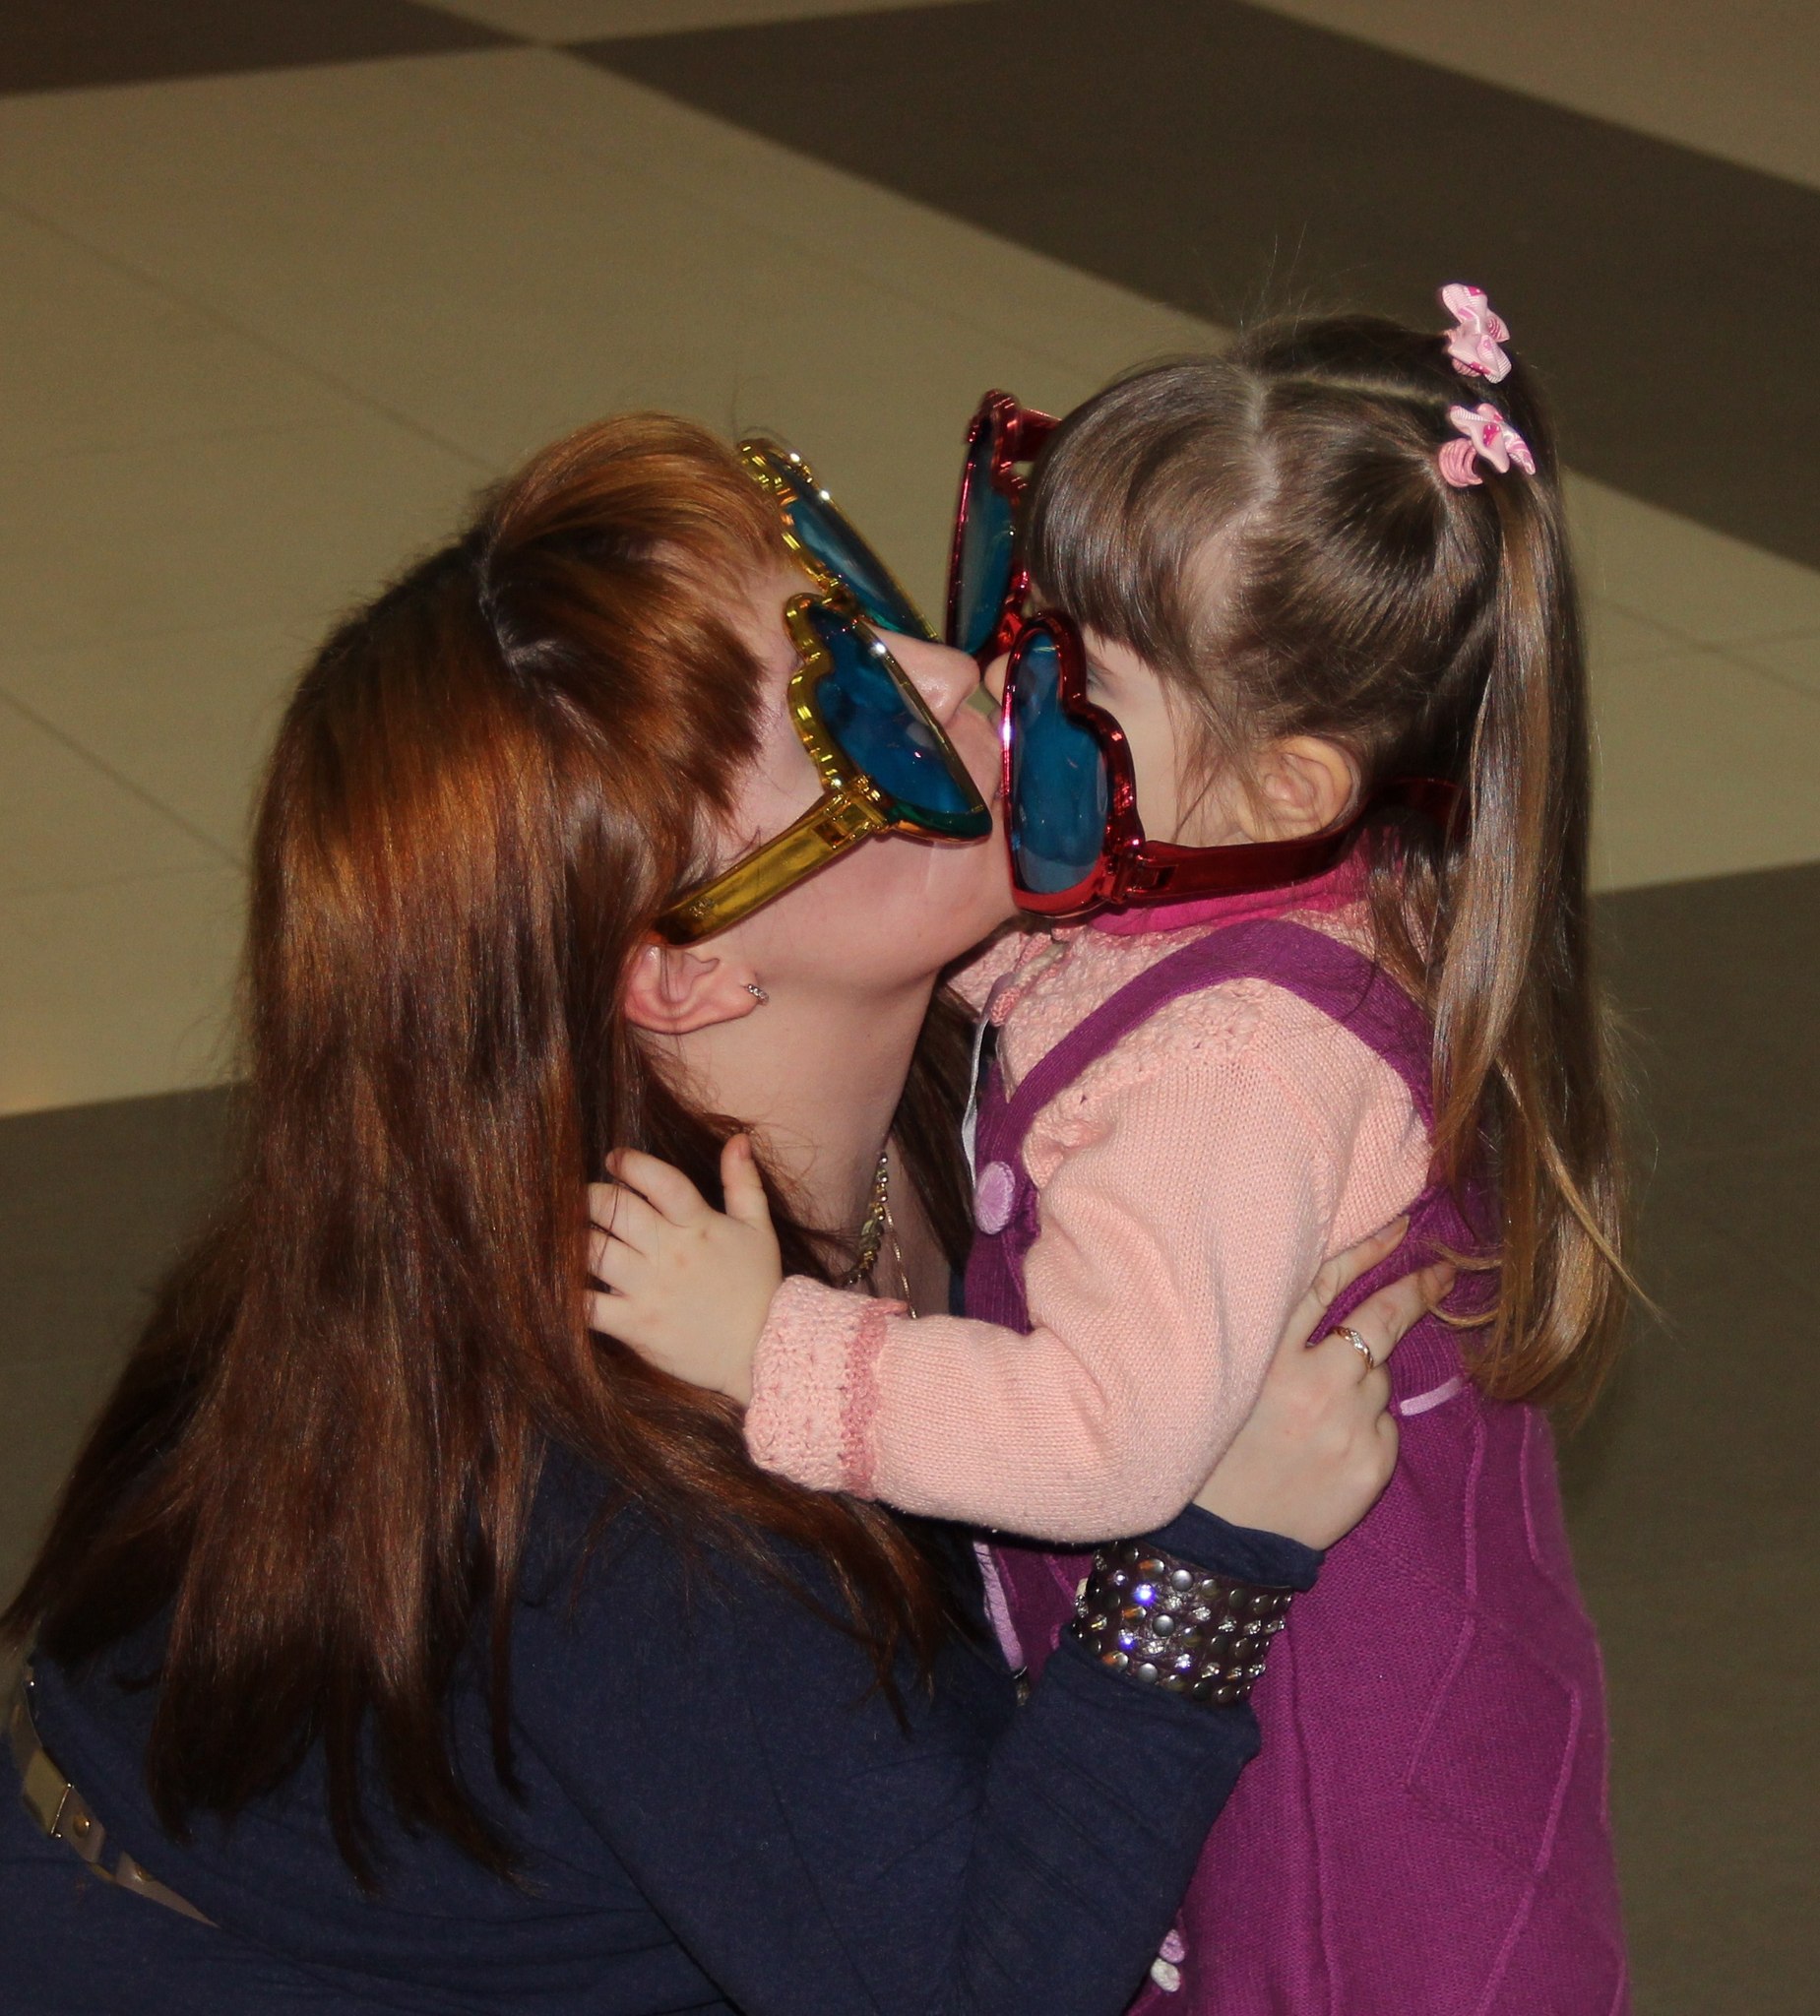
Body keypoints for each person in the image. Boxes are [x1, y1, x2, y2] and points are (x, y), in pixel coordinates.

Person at [2, 415, 1444, 2016]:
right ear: (683, 974)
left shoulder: (938, 1060)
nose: (956, 673)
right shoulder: (630, 1478)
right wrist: (1202, 1570)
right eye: (858, 725)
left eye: (863, 610)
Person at [590, 294, 1633, 2010]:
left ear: (1285, 786)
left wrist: (768, 1345)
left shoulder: (1235, 1070)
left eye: (1083, 688)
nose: (1000, 698)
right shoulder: (1247, 885)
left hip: (1338, 1876)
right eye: (1028, 625)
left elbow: (1101, 1443)